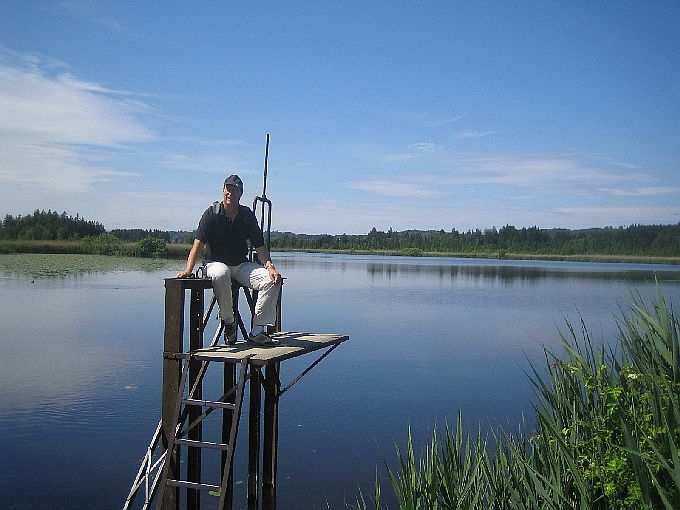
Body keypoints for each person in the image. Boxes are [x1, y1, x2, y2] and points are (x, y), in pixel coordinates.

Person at [176, 174, 282, 345]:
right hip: (214, 264)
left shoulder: (246, 215)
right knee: (221, 273)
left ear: (241, 193)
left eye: (235, 189)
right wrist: (188, 270)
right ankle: (229, 322)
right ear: (223, 190)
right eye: (228, 189)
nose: (230, 193)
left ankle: (257, 331)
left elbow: (260, 246)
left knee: (271, 280)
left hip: (240, 265)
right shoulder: (211, 214)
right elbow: (198, 244)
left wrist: (270, 267)